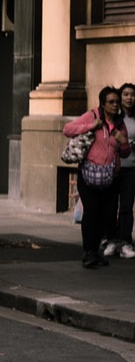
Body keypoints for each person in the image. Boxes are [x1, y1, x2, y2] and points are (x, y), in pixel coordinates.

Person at [64, 86, 132, 268]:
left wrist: (123, 142)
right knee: (91, 213)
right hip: (88, 175)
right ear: (103, 103)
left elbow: (124, 153)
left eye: (117, 102)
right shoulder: (92, 116)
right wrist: (90, 126)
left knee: (105, 215)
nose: (115, 105)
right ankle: (89, 252)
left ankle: (96, 251)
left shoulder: (120, 124)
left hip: (110, 177)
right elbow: (67, 129)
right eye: (111, 102)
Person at [109, 82, 135, 259]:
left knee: (126, 207)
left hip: (132, 168)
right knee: (110, 206)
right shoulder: (113, 117)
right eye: (125, 94)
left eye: (132, 94)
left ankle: (125, 241)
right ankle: (111, 239)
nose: (129, 98)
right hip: (112, 168)